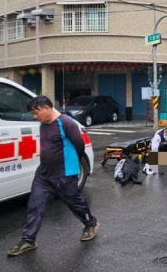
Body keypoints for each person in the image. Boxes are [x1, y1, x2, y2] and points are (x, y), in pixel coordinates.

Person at [7, 96, 99, 257]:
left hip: (64, 174)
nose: (35, 117)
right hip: (43, 174)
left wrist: (71, 165)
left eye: (36, 113)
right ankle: (28, 240)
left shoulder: (66, 123)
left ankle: (91, 224)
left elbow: (79, 145)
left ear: (46, 108)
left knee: (75, 203)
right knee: (35, 206)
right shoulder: (43, 125)